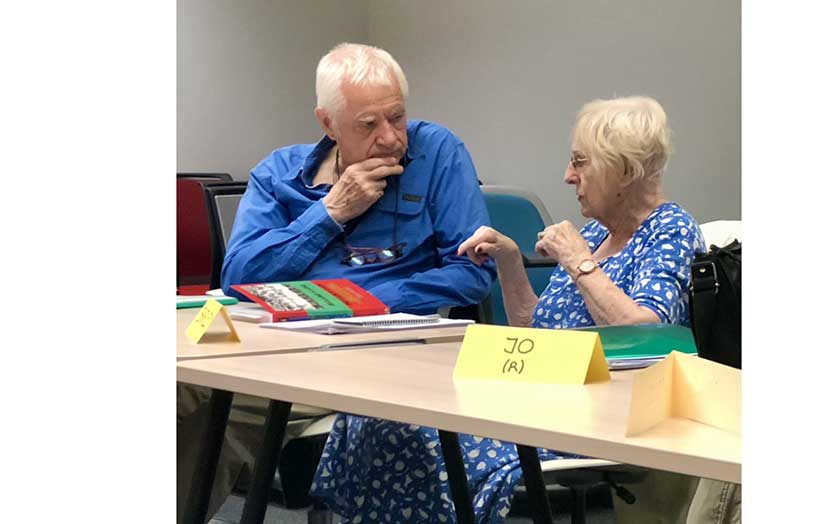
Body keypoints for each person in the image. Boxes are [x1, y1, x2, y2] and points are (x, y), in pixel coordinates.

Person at [310, 96, 717, 524]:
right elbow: (534, 328)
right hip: (537, 399)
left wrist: (579, 261)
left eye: (581, 162)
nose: (568, 175)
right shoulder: (598, 232)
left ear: (626, 171)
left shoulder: (670, 230)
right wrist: (508, 259)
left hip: (598, 418)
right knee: (381, 418)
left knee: (421, 437)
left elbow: (645, 333)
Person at [177, 42, 495, 524]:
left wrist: (349, 302)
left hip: (376, 354)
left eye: (397, 117)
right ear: (328, 124)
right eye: (368, 125)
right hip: (266, 344)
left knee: (208, 410)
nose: (389, 137)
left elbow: (472, 271)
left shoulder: (436, 152)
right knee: (180, 389)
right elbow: (239, 275)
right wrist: (330, 213)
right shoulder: (279, 172)